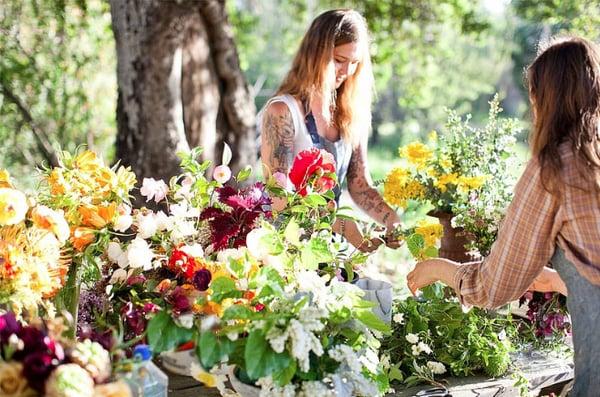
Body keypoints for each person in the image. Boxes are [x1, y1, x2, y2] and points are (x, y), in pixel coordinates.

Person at [407, 36, 600, 396]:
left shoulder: (555, 168)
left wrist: (438, 269)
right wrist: (562, 281)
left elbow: (492, 287)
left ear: (544, 100)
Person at [260, 9, 401, 252]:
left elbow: (360, 186)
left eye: (355, 63)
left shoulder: (351, 111)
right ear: (315, 55)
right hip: (287, 249)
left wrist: (392, 221)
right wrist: (341, 225)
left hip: (332, 251)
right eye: (338, 60)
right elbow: (277, 198)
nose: (346, 72)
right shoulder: (283, 111)